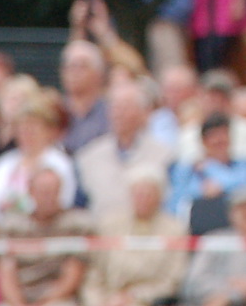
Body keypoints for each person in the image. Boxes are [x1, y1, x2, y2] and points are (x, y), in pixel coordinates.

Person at [71, 168, 187, 306]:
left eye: (148, 194)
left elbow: (173, 280)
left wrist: (133, 297)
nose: (142, 199)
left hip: (142, 304)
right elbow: (94, 272)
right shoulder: (110, 224)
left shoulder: (175, 229)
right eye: (138, 193)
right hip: (105, 299)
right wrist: (99, 301)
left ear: (160, 197)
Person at [0, 168, 92, 306]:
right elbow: (6, 272)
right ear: (30, 192)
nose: (49, 197)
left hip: (58, 299)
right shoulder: (12, 224)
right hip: (18, 298)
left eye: (54, 191)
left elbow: (73, 275)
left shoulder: (77, 223)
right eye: (43, 191)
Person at [72, 80, 174, 221]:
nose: (119, 114)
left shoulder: (165, 155)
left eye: (126, 108)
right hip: (101, 236)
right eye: (115, 107)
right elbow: (79, 206)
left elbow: (170, 202)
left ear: (143, 112)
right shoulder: (88, 156)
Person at [0, 91, 77, 224]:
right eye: (22, 127)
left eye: (33, 126)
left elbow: (64, 201)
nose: (27, 133)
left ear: (49, 130)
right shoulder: (5, 162)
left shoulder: (60, 163)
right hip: (2, 229)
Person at [166, 114, 246, 221]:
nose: (219, 140)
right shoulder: (187, 170)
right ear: (203, 141)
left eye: (223, 135)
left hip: (236, 226)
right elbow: (175, 203)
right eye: (213, 136)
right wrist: (201, 192)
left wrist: (212, 171)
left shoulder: (244, 165)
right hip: (198, 227)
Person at [58, 40, 110, 154]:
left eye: (81, 66)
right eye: (70, 66)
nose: (74, 72)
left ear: (99, 73)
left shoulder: (110, 113)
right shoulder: (55, 111)